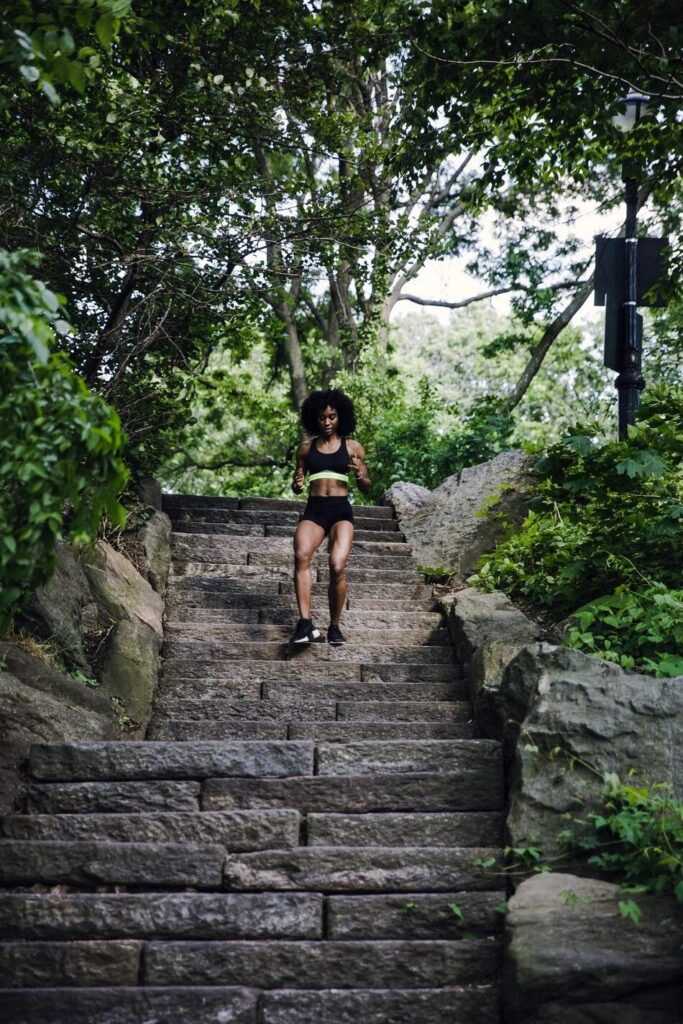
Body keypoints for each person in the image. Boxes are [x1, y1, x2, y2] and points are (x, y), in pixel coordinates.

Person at [289, 389, 371, 645]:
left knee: (337, 565)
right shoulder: (305, 449)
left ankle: (334, 626)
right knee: (301, 554)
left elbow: (367, 487)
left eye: (332, 417)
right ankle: (305, 624)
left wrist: (360, 474)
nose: (327, 422)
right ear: (314, 418)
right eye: (322, 417)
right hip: (314, 510)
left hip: (340, 512)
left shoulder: (353, 447)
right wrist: (297, 483)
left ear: (340, 417)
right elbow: (297, 483)